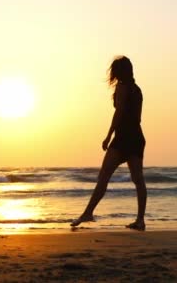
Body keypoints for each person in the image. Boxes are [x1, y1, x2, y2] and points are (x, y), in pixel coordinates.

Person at [71, 56, 147, 231]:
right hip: (136, 137)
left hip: (123, 138)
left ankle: (88, 213)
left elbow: (119, 113)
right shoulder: (137, 90)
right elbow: (138, 118)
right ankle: (140, 220)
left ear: (118, 71)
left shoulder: (122, 88)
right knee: (138, 179)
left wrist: (108, 136)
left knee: (104, 177)